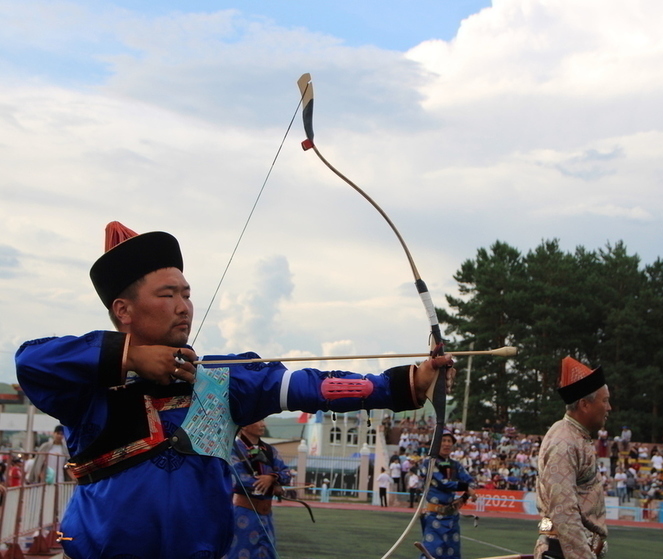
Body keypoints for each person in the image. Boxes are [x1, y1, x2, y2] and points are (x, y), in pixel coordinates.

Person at [15, 222, 455, 559]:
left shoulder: (222, 380)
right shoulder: (87, 385)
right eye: (168, 294)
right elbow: (30, 360)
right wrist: (130, 357)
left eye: (186, 294)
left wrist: (405, 383)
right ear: (123, 310)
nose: (183, 306)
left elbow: (307, 385)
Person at [534, 356, 611, 559]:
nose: (609, 408)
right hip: (566, 552)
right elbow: (564, 511)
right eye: (605, 401)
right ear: (585, 405)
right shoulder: (564, 443)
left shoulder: (574, 437)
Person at [226, 420, 289, 559]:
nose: (263, 424)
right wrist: (271, 483)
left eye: (264, 420)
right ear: (244, 425)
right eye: (258, 420)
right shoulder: (232, 449)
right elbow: (238, 478)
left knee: (267, 553)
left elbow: (286, 473)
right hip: (244, 514)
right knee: (239, 552)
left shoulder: (270, 451)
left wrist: (272, 478)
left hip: (266, 516)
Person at [419, 430, 476, 559]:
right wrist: (466, 487)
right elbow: (443, 483)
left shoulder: (456, 465)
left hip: (452, 518)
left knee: (453, 554)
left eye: (449, 441)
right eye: (443, 441)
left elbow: (471, 482)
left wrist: (463, 498)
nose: (446, 444)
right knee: (431, 553)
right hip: (434, 516)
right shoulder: (429, 463)